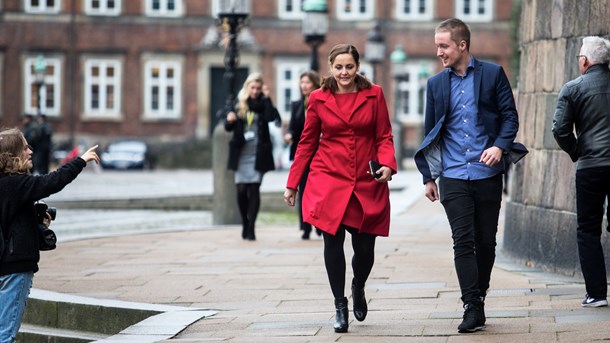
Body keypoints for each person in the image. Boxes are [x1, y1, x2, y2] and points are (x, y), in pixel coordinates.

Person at [413, 18, 520, 333]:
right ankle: (471, 306)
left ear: (462, 45)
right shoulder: (435, 84)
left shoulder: (492, 74)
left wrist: (500, 147)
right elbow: (429, 131)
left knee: (486, 242)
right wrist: (428, 177)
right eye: (437, 46)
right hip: (454, 174)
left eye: (444, 46)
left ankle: (480, 297)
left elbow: (509, 117)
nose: (439, 52)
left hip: (487, 172)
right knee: (463, 240)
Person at [283, 43, 396, 333]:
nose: (344, 72)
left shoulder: (374, 94)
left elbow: (384, 135)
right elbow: (307, 142)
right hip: (328, 178)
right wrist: (292, 183)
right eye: (339, 67)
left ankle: (358, 286)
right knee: (331, 242)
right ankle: (339, 304)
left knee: (364, 249)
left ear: (357, 67)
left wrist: (387, 164)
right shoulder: (318, 98)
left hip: (364, 180)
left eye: (349, 66)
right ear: (331, 68)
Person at [0, 127, 100, 342]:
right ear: (12, 155)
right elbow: (52, 181)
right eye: (24, 147)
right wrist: (80, 161)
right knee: (5, 334)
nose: (30, 150)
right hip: (14, 268)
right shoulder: (16, 185)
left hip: (4, 265)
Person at [552, 36, 610, 308]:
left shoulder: (573, 88)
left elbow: (560, 130)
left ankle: (597, 293)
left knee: (588, 228)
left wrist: (577, 151)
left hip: (590, 168)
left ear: (585, 61)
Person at [225, 72, 280, 241]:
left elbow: (272, 118)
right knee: (241, 190)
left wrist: (268, 98)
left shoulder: (263, 103)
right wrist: (230, 120)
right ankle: (244, 222)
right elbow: (227, 127)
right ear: (247, 87)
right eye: (252, 87)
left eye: (258, 88)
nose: (255, 91)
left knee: (254, 188)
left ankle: (251, 227)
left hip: (258, 152)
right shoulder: (238, 103)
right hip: (241, 152)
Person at [283, 70, 322, 240]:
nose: (304, 85)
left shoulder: (321, 102)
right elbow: (293, 126)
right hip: (303, 153)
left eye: (307, 82)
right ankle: (305, 226)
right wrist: (290, 135)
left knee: (320, 191)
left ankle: (320, 224)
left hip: (321, 153)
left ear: (314, 84)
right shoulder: (297, 105)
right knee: (303, 189)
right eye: (302, 82)